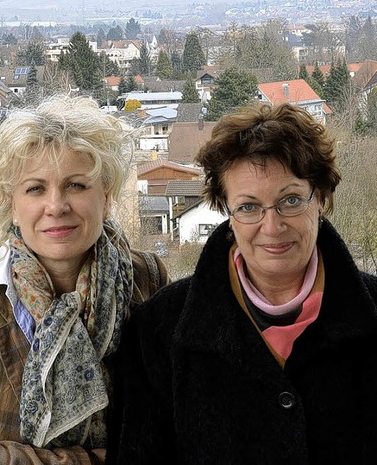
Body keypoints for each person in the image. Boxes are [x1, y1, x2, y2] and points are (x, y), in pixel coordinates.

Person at [0, 94, 169, 464]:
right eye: (35, 188)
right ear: (12, 204)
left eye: (76, 185)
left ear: (105, 198)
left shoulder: (147, 280)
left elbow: (177, 428)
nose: (56, 206)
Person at [108, 102, 377, 464]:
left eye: (291, 200)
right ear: (227, 212)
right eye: (249, 207)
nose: (272, 226)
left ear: (322, 199)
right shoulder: (160, 330)